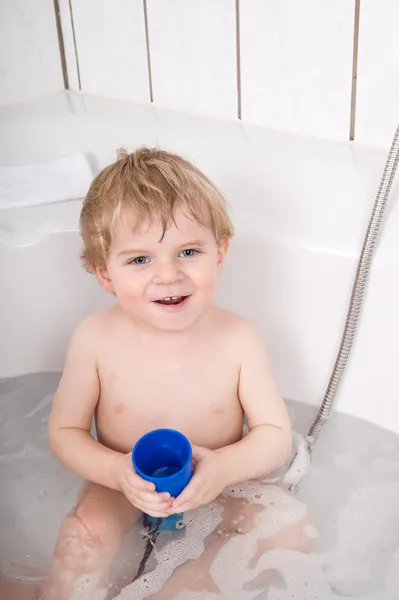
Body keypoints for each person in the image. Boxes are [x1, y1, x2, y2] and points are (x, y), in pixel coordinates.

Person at [41, 147, 297, 600]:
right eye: (139, 260)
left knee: (289, 531)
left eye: (188, 251)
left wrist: (226, 467)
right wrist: (116, 470)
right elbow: (65, 432)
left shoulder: (240, 339)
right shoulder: (94, 339)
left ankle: (171, 591)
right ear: (104, 273)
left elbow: (275, 433)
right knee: (84, 535)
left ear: (220, 252)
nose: (169, 275)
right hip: (120, 482)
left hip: (221, 481)